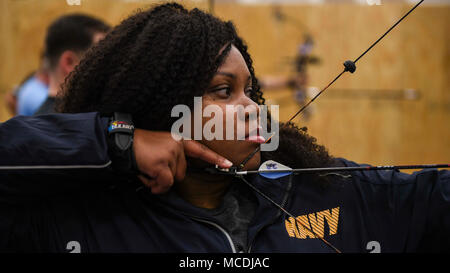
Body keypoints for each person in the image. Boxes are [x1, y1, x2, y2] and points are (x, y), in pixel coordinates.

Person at [1, 3, 448, 253]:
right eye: (223, 91)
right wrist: (115, 143)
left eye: (250, 92)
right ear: (161, 109)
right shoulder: (83, 218)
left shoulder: (326, 191)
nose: (252, 107)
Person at [34, 14, 110, 115]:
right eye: (102, 57)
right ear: (69, 62)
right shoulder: (73, 126)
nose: (111, 67)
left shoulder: (40, 121)